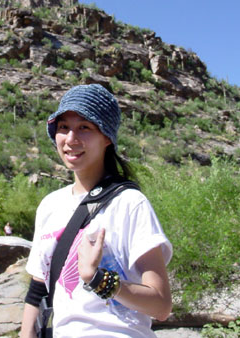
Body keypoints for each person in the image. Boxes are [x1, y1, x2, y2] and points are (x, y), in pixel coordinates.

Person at [20, 84, 173, 337]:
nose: (71, 139)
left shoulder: (130, 203)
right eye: (63, 127)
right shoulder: (50, 205)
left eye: (85, 127)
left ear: (107, 138)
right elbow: (38, 289)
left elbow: (161, 306)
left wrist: (98, 279)